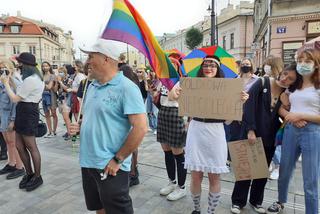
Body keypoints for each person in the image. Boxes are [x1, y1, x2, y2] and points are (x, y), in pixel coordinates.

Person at [70, 39, 147, 214]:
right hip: (89, 162)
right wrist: (80, 127)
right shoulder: (92, 85)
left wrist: (118, 159)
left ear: (106, 59)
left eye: (91, 56)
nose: (87, 61)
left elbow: (141, 128)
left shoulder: (127, 88)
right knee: (99, 208)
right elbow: (96, 119)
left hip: (110, 166)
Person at [169, 55, 248, 214]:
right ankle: (196, 209)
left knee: (214, 176)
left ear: (218, 69)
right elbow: (172, 96)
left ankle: (210, 211)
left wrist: (240, 103)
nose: (209, 68)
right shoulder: (191, 83)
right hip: (196, 130)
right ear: (201, 67)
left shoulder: (227, 88)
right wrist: (175, 93)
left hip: (216, 132)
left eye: (213, 65)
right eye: (206, 65)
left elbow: (228, 120)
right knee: (196, 175)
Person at [230, 63, 300, 214]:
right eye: (285, 73)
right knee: (245, 170)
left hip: (270, 137)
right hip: (252, 134)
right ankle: (237, 201)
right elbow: (248, 105)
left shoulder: (288, 94)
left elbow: (287, 114)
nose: (285, 78)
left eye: (291, 79)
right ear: (281, 71)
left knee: (261, 172)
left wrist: (286, 101)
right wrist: (250, 130)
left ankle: (256, 201)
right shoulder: (263, 82)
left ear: (294, 82)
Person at [267, 49, 320, 214]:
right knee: (284, 170)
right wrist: (291, 116)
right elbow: (281, 108)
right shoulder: (294, 86)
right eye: (300, 61)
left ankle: (312, 211)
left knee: (310, 178)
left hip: (312, 133)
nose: (303, 64)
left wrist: (301, 115)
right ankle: (280, 201)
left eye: (307, 61)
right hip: (291, 130)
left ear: (316, 64)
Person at [0, 52, 44, 191]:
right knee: (19, 146)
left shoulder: (32, 79)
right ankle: (29, 173)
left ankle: (37, 176)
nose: (18, 66)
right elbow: (19, 91)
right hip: (23, 111)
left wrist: (6, 83)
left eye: (20, 63)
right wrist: (10, 79)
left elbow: (15, 98)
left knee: (31, 147)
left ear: (26, 65)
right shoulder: (29, 78)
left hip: (28, 111)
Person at [155, 56, 187, 201]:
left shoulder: (182, 82)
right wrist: (155, 93)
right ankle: (171, 182)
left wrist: (170, 89)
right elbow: (159, 98)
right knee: (166, 151)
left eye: (173, 65)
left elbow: (174, 98)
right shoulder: (161, 80)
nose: (170, 67)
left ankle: (182, 187)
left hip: (176, 115)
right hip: (163, 114)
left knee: (178, 154)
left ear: (178, 67)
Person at [0, 58, 25, 180]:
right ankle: (11, 163)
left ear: (11, 69)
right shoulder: (1, 82)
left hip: (10, 117)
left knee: (14, 143)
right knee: (8, 142)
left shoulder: (15, 83)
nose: (2, 71)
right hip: (2, 116)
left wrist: (13, 120)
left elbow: (16, 104)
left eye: (4, 69)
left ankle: (20, 167)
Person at [262, 56, 284, 180]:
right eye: (266, 64)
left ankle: (278, 167)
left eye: (269, 65)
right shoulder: (263, 81)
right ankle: (271, 164)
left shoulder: (283, 82)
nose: (267, 67)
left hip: (278, 122)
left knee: (277, 147)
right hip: (265, 122)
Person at [120, 64, 141, 187]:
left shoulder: (127, 85)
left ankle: (132, 173)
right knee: (134, 147)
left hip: (129, 118)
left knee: (131, 147)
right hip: (134, 117)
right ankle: (134, 171)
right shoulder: (134, 83)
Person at [41, 61, 58, 137]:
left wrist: (41, 83)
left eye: (46, 66)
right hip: (43, 96)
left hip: (51, 96)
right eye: (43, 66)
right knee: (46, 114)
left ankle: (54, 131)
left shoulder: (52, 76)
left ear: (49, 66)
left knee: (53, 113)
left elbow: (49, 87)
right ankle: (50, 131)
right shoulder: (41, 76)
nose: (45, 67)